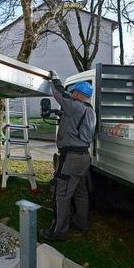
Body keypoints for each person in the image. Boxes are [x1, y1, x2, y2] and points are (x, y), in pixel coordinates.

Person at [40, 70, 96, 241]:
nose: (71, 95)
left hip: (70, 158)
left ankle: (58, 232)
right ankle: (81, 223)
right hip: (83, 158)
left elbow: (59, 94)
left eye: (73, 93)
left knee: (61, 194)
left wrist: (55, 78)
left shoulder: (74, 105)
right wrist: (59, 114)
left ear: (78, 94)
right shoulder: (89, 110)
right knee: (80, 193)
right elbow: (74, 121)